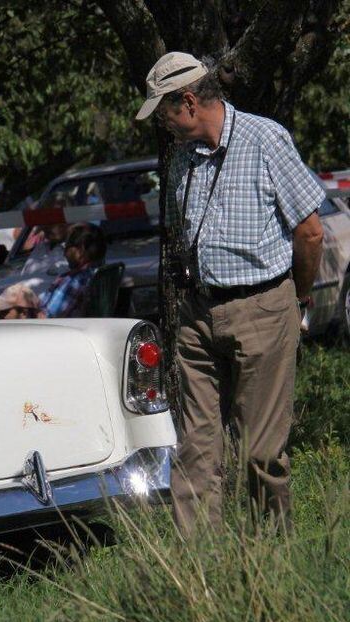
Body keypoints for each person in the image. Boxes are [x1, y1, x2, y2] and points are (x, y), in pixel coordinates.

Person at [136, 52, 325, 535]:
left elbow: (310, 231)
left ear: (190, 101)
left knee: (261, 452)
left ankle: (271, 562)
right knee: (196, 450)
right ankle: (198, 577)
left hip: (263, 307)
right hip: (198, 315)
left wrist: (296, 300)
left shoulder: (265, 139)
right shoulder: (181, 157)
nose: (164, 123)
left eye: (165, 111)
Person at [0, 223, 105, 319]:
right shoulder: (89, 275)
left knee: (16, 301)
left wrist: (20, 313)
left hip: (52, 331)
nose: (65, 250)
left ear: (80, 250)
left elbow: (47, 317)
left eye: (68, 245)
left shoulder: (76, 281)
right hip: (50, 322)